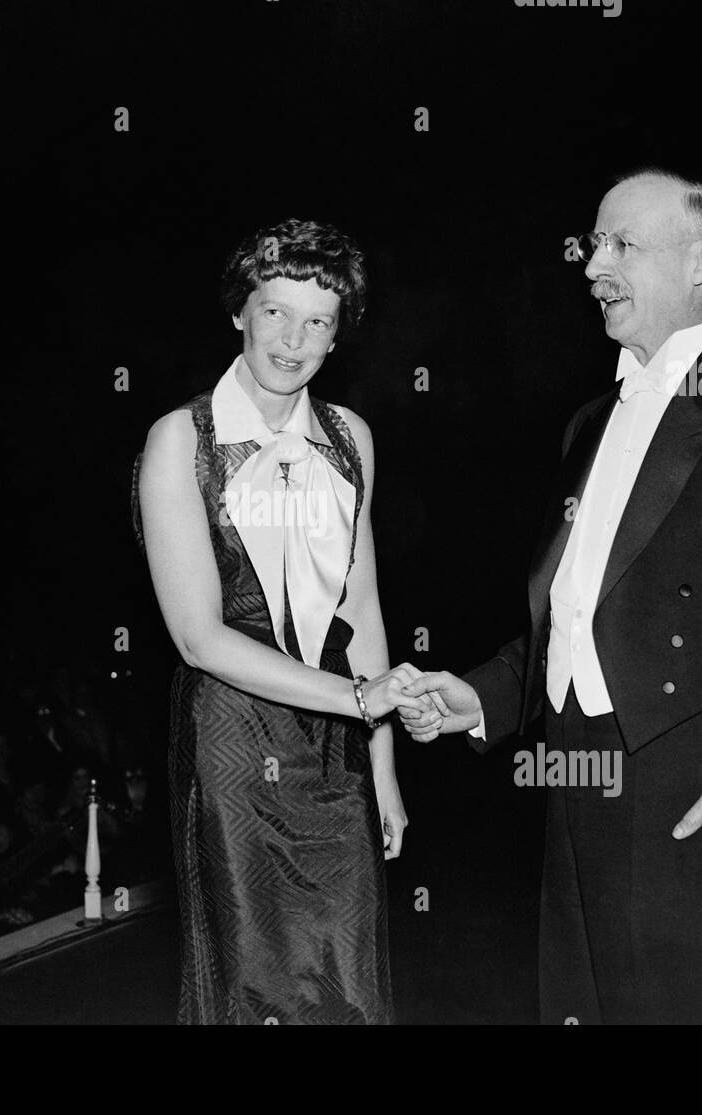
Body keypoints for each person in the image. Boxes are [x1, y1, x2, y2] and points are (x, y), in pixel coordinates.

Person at [400, 168, 702, 1024]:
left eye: (620, 244)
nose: (593, 266)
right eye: (594, 244)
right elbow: (582, 610)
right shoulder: (589, 421)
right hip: (573, 782)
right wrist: (481, 695)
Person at [133, 217, 432, 1024]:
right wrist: (358, 700)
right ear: (240, 312)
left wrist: (385, 766)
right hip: (233, 742)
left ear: (339, 336)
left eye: (319, 321)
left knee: (348, 985)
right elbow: (199, 637)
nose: (294, 339)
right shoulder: (179, 442)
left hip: (336, 749)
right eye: (276, 312)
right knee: (257, 985)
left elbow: (360, 607)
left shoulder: (350, 438)